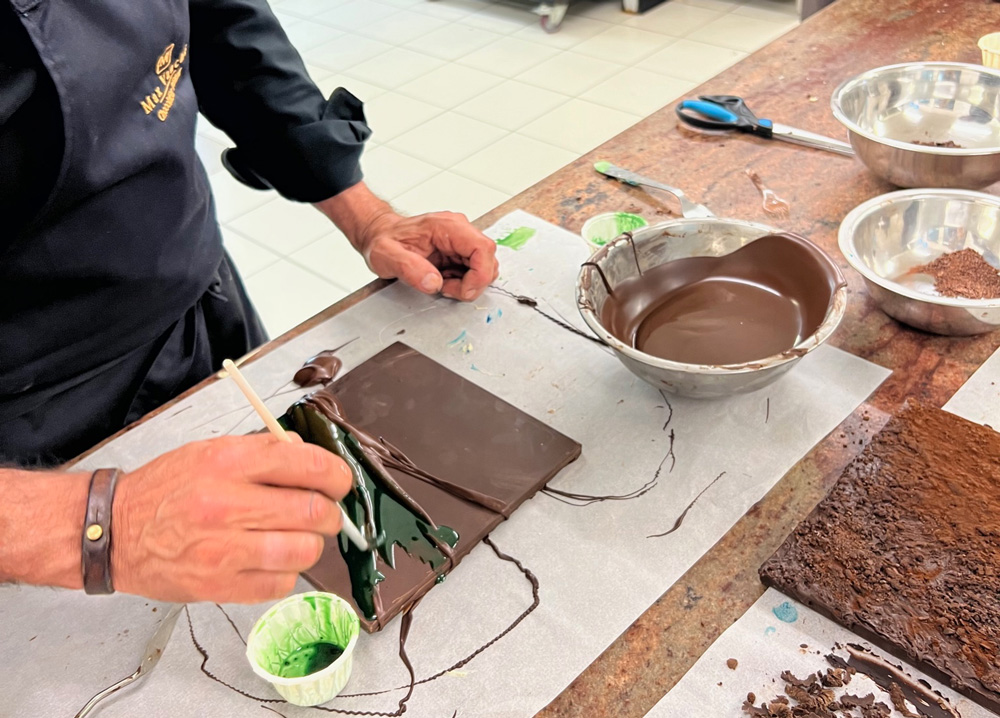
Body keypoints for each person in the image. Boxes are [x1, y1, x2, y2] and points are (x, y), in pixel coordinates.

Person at [0, 0, 500, 603]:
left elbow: (224, 31)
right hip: (30, 425)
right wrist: (98, 527)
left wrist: (369, 217)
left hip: (198, 309)